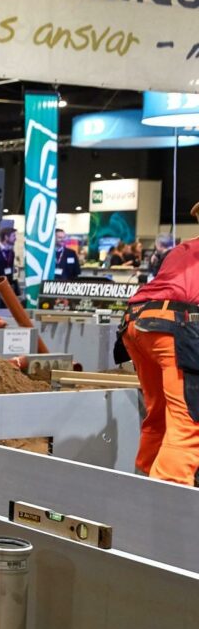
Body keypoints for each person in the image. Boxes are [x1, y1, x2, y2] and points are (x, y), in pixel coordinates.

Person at [118, 203, 199, 486]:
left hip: (136, 323)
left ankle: (143, 489)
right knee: (191, 422)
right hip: (175, 327)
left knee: (160, 415)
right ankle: (167, 514)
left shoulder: (182, 250)